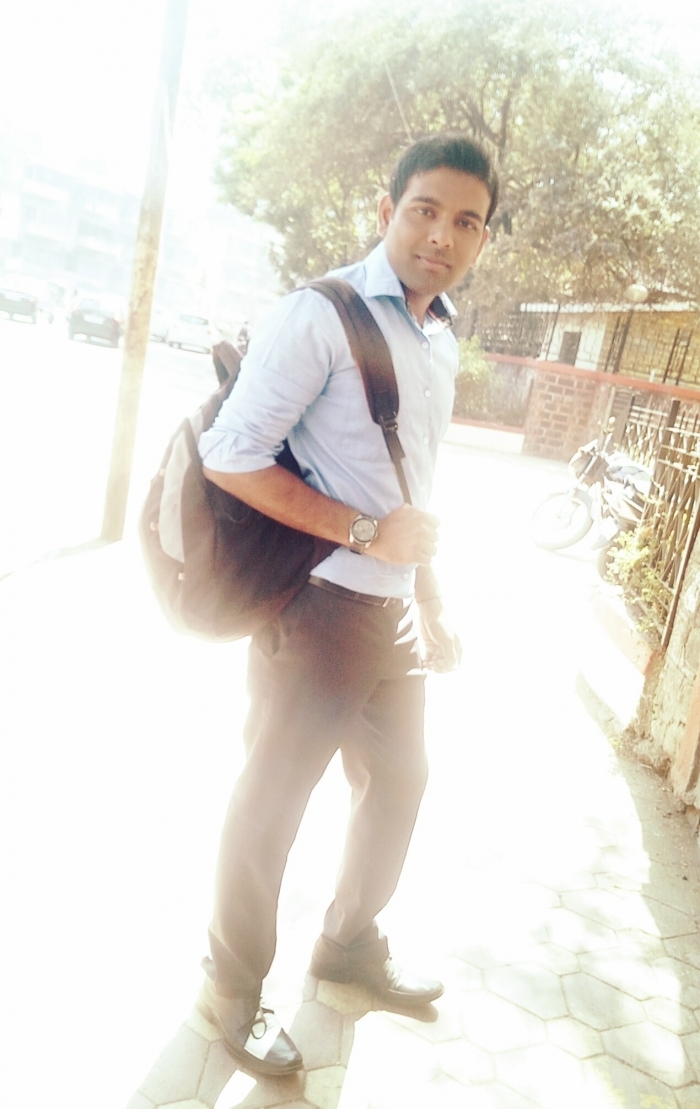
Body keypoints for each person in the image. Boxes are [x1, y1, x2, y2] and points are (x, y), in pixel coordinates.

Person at [196, 133, 499, 1076]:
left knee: (400, 782)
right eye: (425, 210)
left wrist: (429, 595)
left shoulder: (440, 335)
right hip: (319, 610)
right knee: (271, 806)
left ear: (483, 238)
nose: (442, 236)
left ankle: (347, 945)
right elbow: (230, 455)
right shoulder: (319, 313)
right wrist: (367, 536)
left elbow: (413, 487)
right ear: (386, 210)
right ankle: (229, 988)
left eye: (466, 222)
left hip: (392, 617)